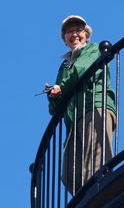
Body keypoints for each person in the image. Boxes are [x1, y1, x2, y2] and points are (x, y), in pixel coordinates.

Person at [45, 15, 117, 195]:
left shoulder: (93, 49)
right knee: (69, 174)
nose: (74, 34)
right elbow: (54, 108)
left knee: (95, 162)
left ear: (86, 34)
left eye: (78, 30)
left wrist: (61, 88)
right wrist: (53, 95)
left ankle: (104, 195)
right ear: (64, 39)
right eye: (69, 31)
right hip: (74, 120)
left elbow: (81, 71)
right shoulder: (64, 66)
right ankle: (88, 199)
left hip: (94, 106)